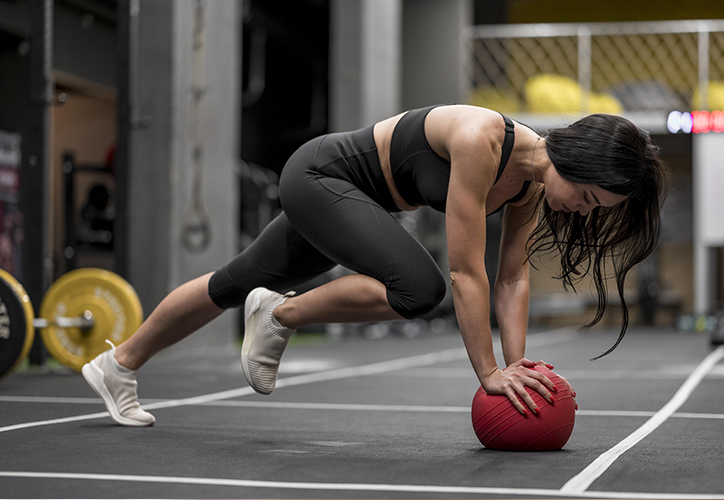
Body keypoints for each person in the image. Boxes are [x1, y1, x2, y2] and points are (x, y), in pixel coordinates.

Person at [82, 104, 669, 427]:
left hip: (352, 201)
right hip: (319, 176)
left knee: (230, 282)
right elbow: (469, 273)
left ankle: (118, 364)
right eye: (589, 198)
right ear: (575, 158)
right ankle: (281, 313)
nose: (581, 211)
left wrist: (517, 368)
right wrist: (489, 375)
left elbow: (513, 277)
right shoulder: (482, 139)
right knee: (421, 287)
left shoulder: (529, 190)